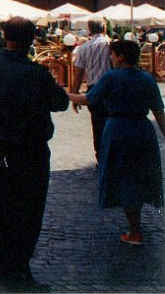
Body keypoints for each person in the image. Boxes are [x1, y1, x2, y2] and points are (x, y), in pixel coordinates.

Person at [0, 17, 69, 287]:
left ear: (5, 36)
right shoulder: (36, 73)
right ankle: (19, 267)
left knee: (0, 204)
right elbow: (61, 102)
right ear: (31, 40)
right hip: (30, 149)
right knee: (28, 209)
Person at [68, 39, 165, 246]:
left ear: (121, 57)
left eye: (112, 54)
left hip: (118, 130)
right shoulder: (147, 79)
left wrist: (67, 95)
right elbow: (159, 112)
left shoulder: (111, 77)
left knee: (124, 177)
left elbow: (88, 99)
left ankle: (135, 230)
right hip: (142, 130)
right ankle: (136, 223)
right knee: (139, 175)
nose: (111, 58)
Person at [70, 20, 112, 160]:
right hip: (112, 88)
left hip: (93, 88)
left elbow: (78, 75)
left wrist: (75, 96)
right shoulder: (110, 45)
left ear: (89, 30)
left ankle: (101, 157)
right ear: (104, 28)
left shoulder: (83, 48)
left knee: (98, 125)